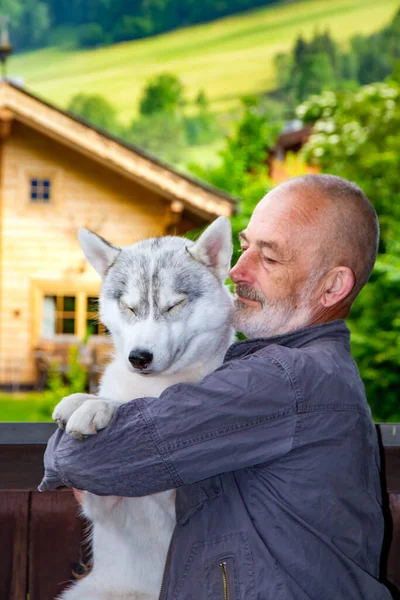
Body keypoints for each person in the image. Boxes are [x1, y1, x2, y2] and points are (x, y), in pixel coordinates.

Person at [40, 174, 392, 599]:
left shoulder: (286, 379)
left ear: (332, 286)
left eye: (270, 258)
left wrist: (71, 445)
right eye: (245, 247)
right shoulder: (304, 371)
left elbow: (89, 460)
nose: (235, 271)